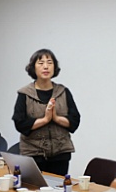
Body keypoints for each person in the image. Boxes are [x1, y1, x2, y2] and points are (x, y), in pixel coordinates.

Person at [12, 48, 80, 176]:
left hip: (61, 154)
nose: (46, 66)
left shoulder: (63, 92)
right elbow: (20, 123)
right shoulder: (25, 93)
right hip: (33, 154)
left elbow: (75, 120)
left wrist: (56, 118)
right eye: (41, 63)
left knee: (57, 187)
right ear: (33, 68)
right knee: (35, 187)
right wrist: (45, 120)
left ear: (54, 67)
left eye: (49, 62)